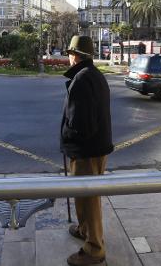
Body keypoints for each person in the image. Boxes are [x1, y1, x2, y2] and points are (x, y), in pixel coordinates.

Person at [60, 35, 113, 266]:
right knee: (84, 196)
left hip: (86, 151)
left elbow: (82, 124)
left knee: (89, 199)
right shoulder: (94, 75)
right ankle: (84, 230)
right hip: (95, 148)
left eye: (69, 53)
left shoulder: (81, 79)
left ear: (75, 55)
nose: (68, 57)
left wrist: (68, 137)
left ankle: (94, 249)